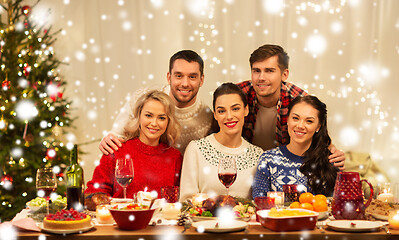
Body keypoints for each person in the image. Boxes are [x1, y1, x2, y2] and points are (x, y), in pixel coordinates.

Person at [237, 44, 345, 170]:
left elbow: (317, 134)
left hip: (283, 168)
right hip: (244, 165)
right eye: (256, 71)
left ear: (284, 75)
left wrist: (333, 152)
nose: (261, 78)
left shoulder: (299, 101)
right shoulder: (238, 96)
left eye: (269, 71)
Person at [99, 50, 213, 154]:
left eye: (192, 77)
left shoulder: (207, 119)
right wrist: (108, 140)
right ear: (169, 77)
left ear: (201, 80)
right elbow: (116, 137)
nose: (185, 83)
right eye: (179, 76)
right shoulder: (142, 96)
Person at [85, 90, 183, 208]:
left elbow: (178, 200)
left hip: (160, 224)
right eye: (148, 115)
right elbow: (94, 193)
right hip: (120, 222)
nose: (154, 123)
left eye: (161, 118)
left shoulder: (175, 157)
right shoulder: (116, 150)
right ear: (139, 116)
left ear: (168, 121)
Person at [179, 83, 264, 201]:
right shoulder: (196, 149)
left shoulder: (258, 155)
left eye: (235, 109)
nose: (229, 116)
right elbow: (186, 201)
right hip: (204, 219)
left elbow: (258, 204)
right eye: (221, 111)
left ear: (246, 110)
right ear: (215, 115)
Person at [252, 95, 338, 197]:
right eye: (295, 118)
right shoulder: (268, 159)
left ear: (318, 127)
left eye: (309, 121)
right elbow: (258, 202)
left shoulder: (330, 160)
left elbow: (335, 205)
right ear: (288, 120)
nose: (300, 126)